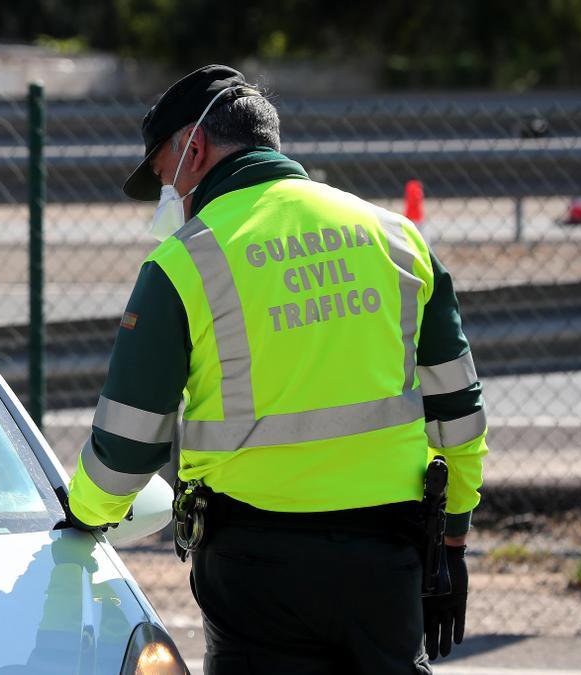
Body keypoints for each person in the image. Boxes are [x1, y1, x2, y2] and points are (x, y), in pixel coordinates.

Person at [64, 65, 488, 674]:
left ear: (194, 148)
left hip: (255, 573)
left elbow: (128, 443)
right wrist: (452, 539)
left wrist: (85, 515)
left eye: (163, 176)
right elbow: (459, 413)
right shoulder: (396, 238)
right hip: (387, 559)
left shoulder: (183, 264)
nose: (169, 197)